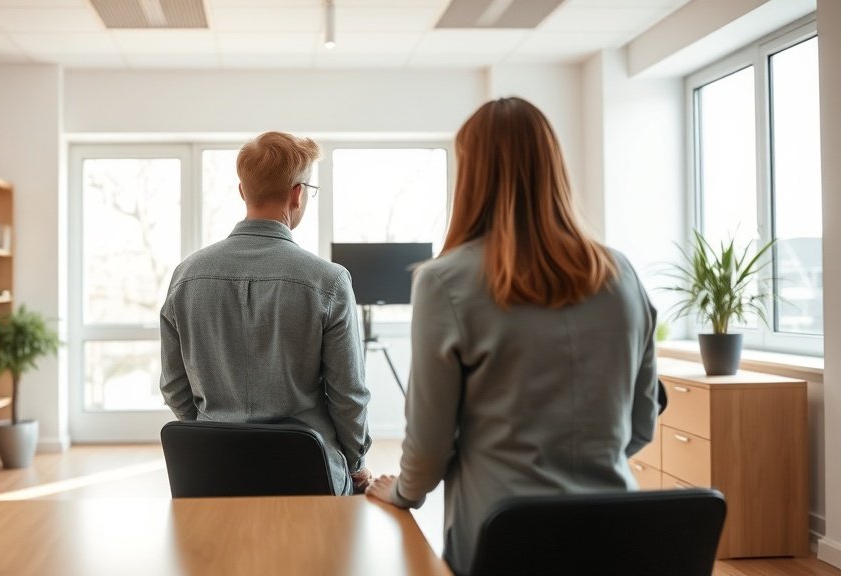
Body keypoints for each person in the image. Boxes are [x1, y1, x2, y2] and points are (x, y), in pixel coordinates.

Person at [365, 97, 659, 574]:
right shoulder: (620, 273)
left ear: (472, 176)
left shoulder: (444, 281)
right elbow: (641, 423)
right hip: (615, 535)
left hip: (504, 537)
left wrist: (402, 492)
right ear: (553, 167)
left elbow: (430, 446)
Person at [160, 131, 373, 495]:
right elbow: (348, 395)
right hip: (307, 474)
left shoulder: (186, 276)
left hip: (213, 471)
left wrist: (213, 434)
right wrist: (356, 464)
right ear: (297, 194)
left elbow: (173, 385)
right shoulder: (329, 281)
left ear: (243, 191)